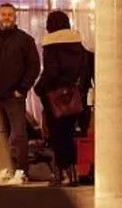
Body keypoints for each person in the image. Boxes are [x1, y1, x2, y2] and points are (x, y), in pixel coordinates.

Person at [0, 2, 39, 182]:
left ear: (15, 16)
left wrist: (22, 88)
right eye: (3, 14)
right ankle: (4, 169)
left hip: (14, 96)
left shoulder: (25, 40)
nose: (6, 17)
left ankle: (21, 170)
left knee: (18, 134)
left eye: (9, 14)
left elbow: (34, 66)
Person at [35, 10, 94, 187]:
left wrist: (39, 89)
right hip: (77, 99)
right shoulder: (79, 46)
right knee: (69, 135)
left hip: (56, 99)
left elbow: (51, 73)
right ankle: (73, 174)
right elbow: (88, 69)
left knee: (58, 137)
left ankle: (63, 175)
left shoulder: (52, 45)